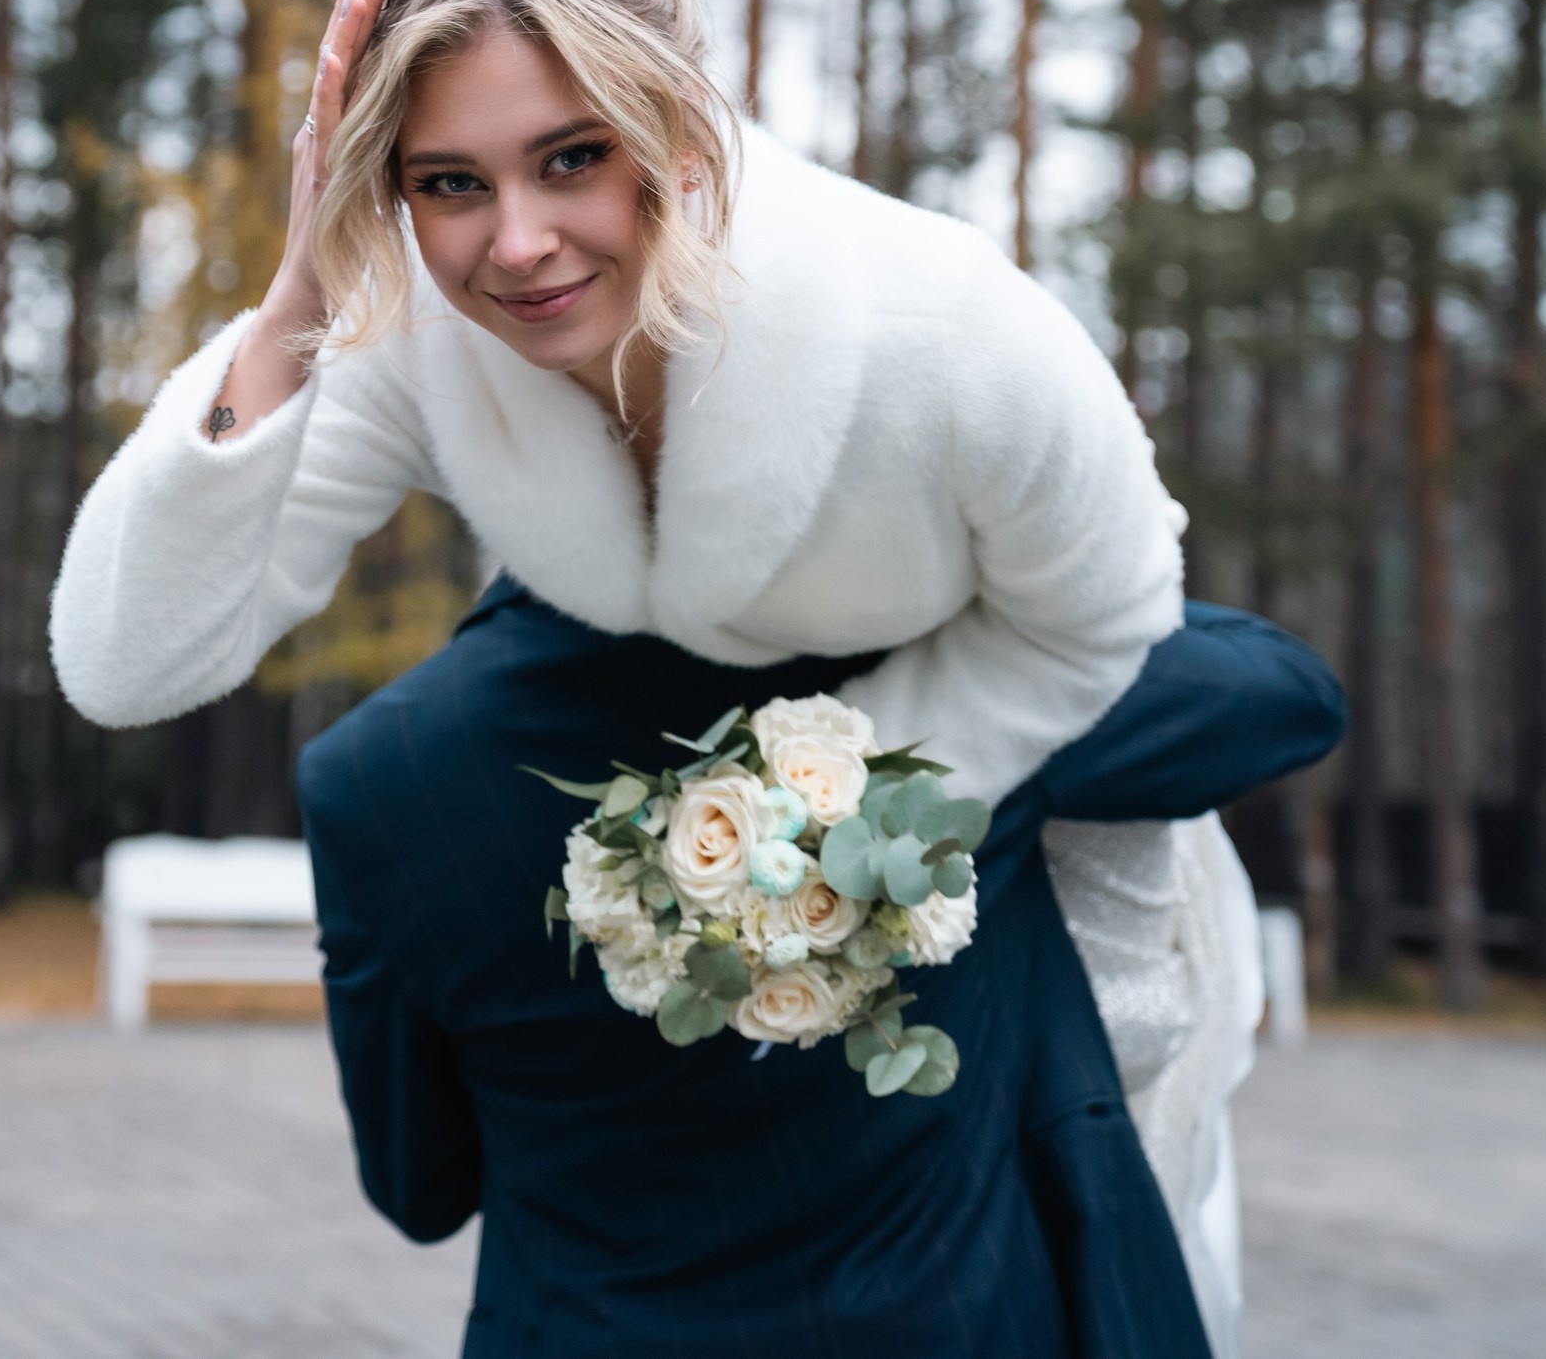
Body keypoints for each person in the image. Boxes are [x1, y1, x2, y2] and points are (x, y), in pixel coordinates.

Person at [49, 0, 1342, 1354]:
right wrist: (295, 307)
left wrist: (821, 806)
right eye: (447, 182)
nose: (515, 242)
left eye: (571, 157)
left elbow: (1112, 622)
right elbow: (125, 659)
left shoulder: (952, 334)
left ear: (674, 116)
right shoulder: (422, 331)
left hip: (1000, 827)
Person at [299, 579, 1342, 1358]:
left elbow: (420, 1184)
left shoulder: (371, 774)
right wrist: (1005, 570)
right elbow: (1287, 694)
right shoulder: (960, 665)